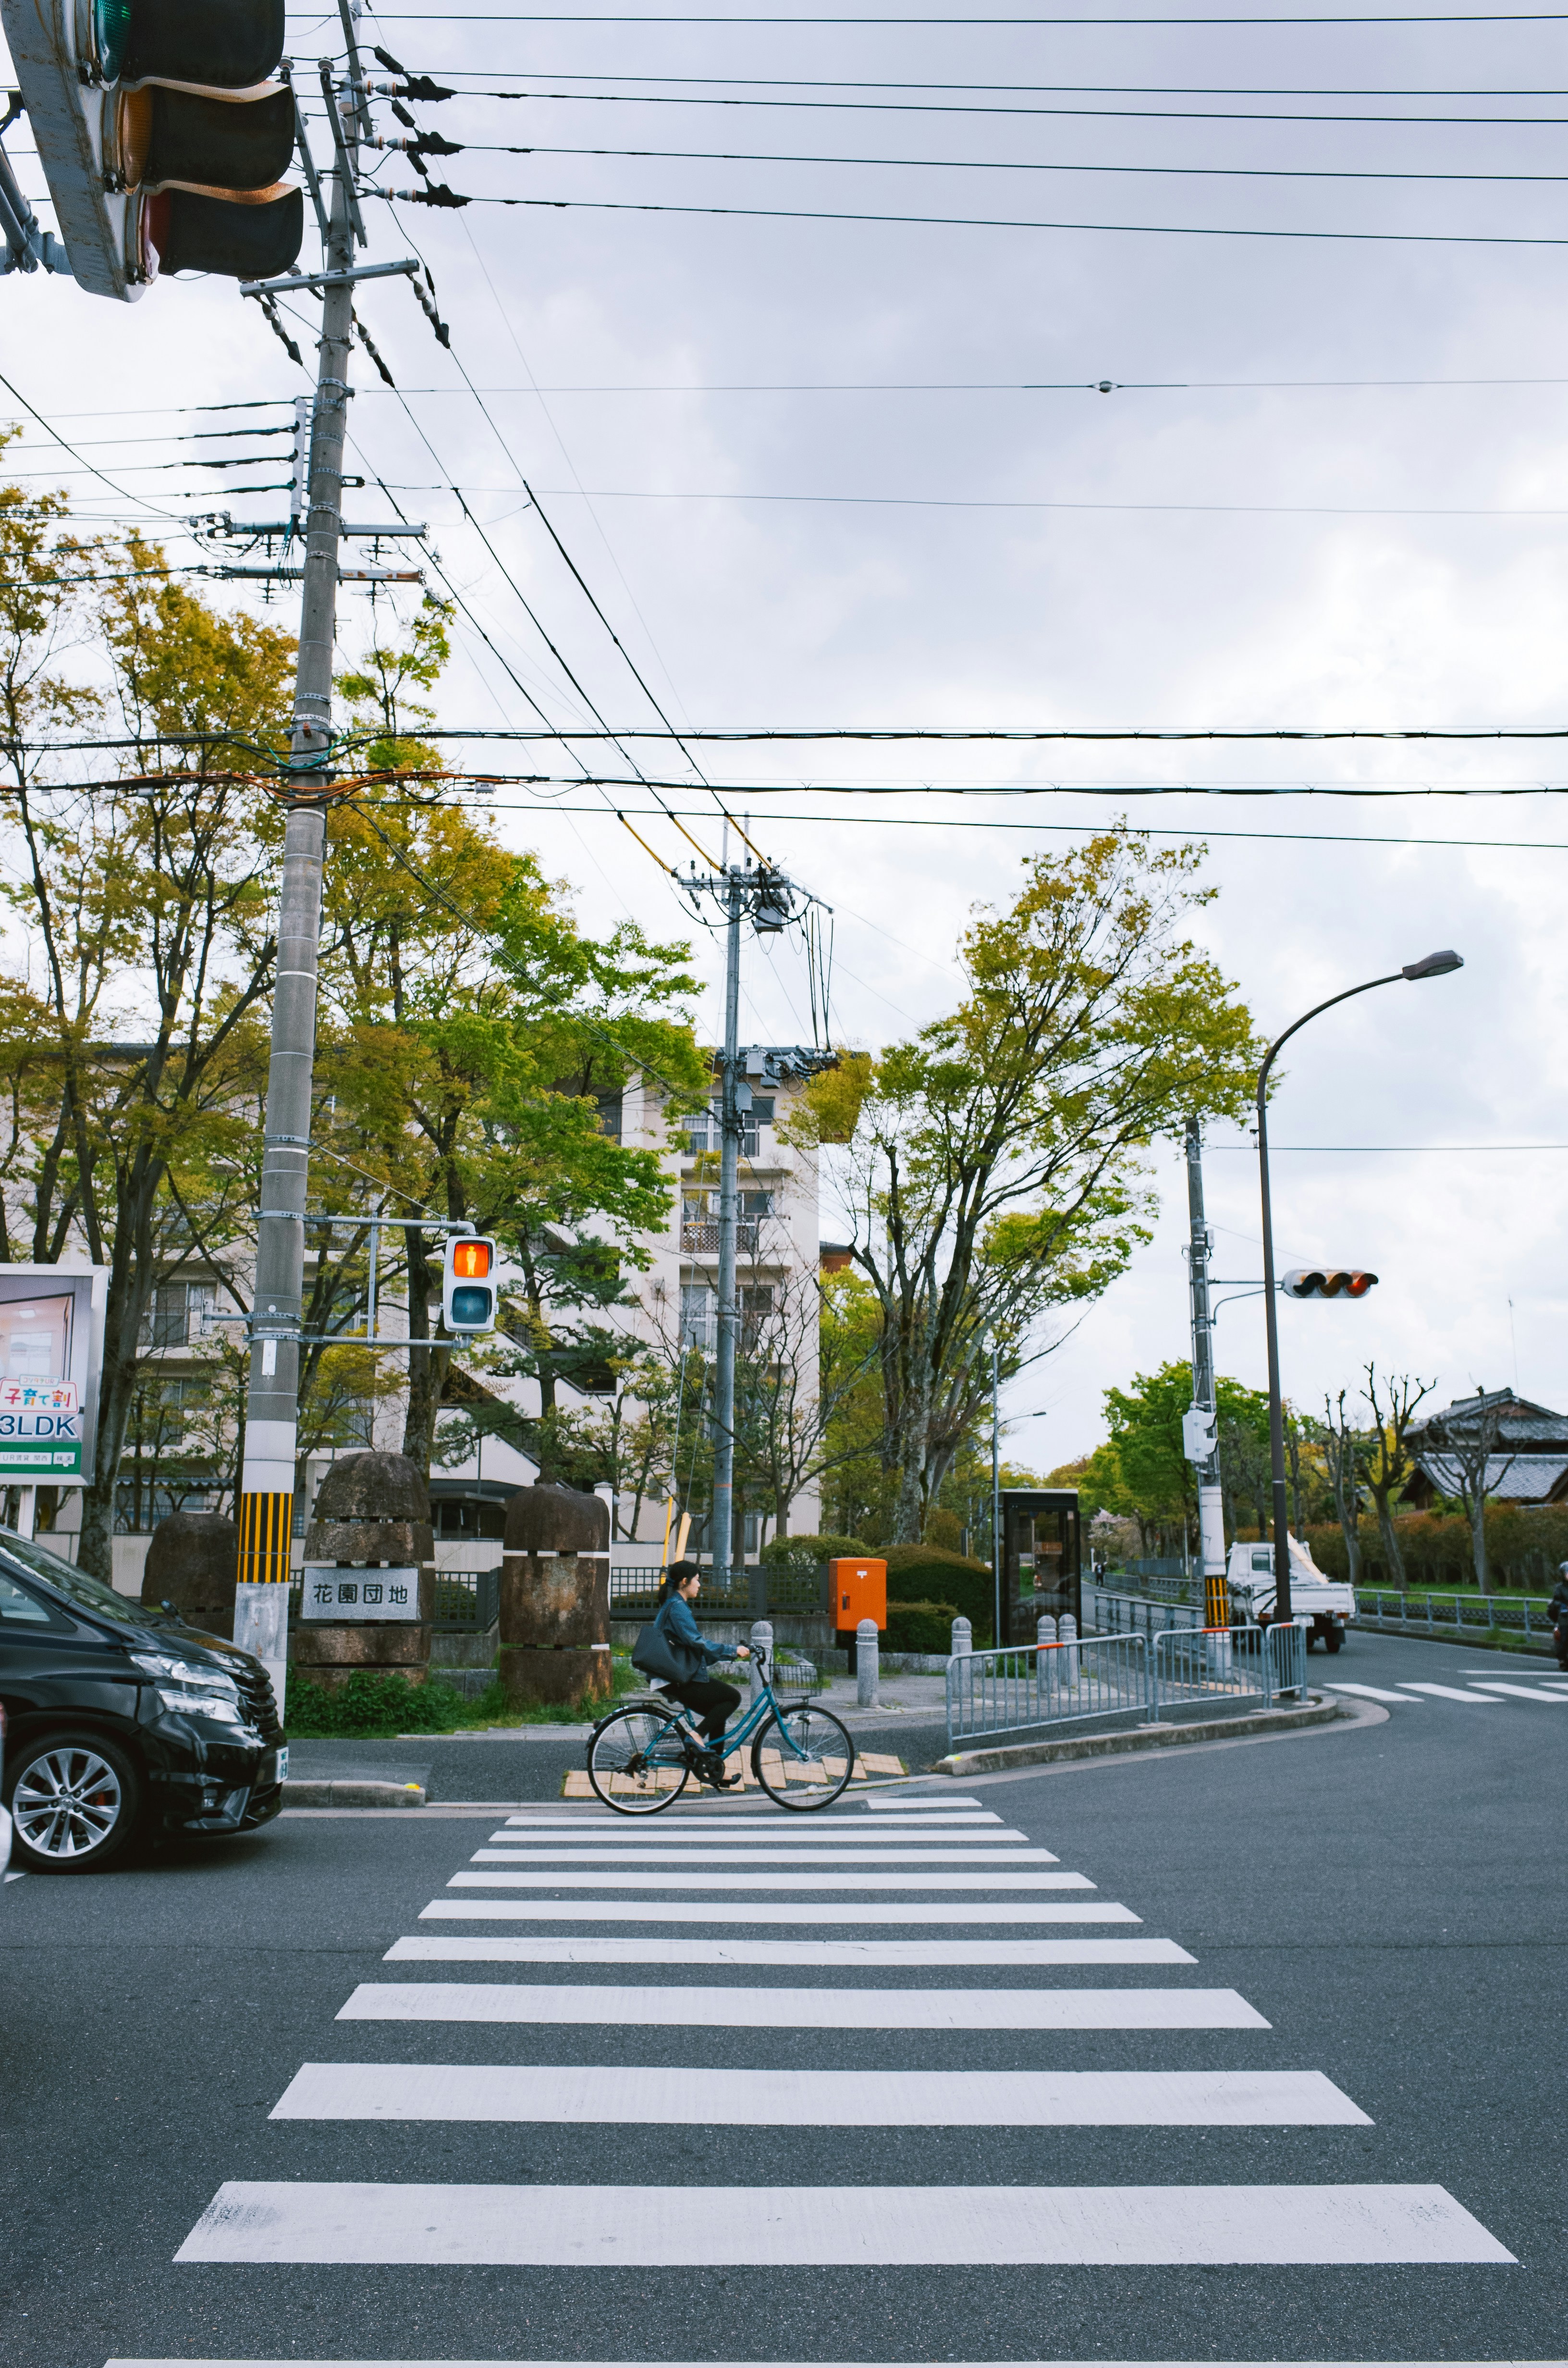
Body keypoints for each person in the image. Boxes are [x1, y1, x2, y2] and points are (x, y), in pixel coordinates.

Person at [652, 1559, 750, 1786]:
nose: (700, 1585)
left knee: (718, 1711)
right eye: (697, 1580)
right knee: (732, 1698)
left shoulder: (674, 1604)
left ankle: (715, 1769)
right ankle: (696, 1736)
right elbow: (697, 1643)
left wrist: (726, 1654)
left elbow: (695, 1648)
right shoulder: (677, 1607)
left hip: (677, 1674)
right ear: (685, 1582)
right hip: (676, 1677)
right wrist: (732, 1650)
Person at [1550, 1562, 1568, 1673]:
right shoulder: (1560, 1588)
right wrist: (1562, 1605)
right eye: (1567, 1573)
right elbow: (1555, 1601)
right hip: (1565, 1616)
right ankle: (1563, 1659)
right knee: (1564, 1637)